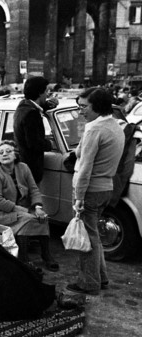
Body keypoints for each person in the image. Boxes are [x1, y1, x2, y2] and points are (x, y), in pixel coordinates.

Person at [67, 88, 125, 295]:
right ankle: (101, 278)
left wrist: (79, 198)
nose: (80, 111)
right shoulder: (115, 126)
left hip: (90, 190)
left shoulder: (94, 130)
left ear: (97, 106)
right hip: (106, 188)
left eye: (84, 106)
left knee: (87, 239)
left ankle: (89, 283)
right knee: (94, 236)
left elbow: (85, 168)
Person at [0, 140, 59, 270]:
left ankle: (46, 255)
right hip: (0, 213)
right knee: (28, 219)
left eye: (8, 151)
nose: (4, 154)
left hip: (20, 210)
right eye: (0, 153)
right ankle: (24, 259)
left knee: (43, 218)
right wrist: (22, 210)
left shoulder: (23, 167)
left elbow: (34, 189)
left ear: (16, 154)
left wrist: (37, 207)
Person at [13, 76, 59, 183]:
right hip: (31, 168)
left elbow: (36, 108)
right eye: (46, 91)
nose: (48, 94)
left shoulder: (23, 106)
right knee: (30, 197)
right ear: (39, 93)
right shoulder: (31, 113)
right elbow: (33, 143)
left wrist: (47, 105)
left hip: (23, 166)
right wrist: (50, 143)